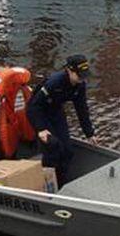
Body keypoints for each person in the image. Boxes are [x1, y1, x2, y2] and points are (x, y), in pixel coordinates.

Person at [26, 54, 96, 186]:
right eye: (79, 76)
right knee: (52, 148)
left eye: (84, 76)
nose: (82, 79)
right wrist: (41, 129)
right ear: (69, 70)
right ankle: (47, 185)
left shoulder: (80, 85)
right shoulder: (54, 82)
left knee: (67, 151)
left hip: (55, 111)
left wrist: (89, 133)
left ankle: (61, 183)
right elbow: (33, 107)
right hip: (40, 112)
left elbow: (82, 109)